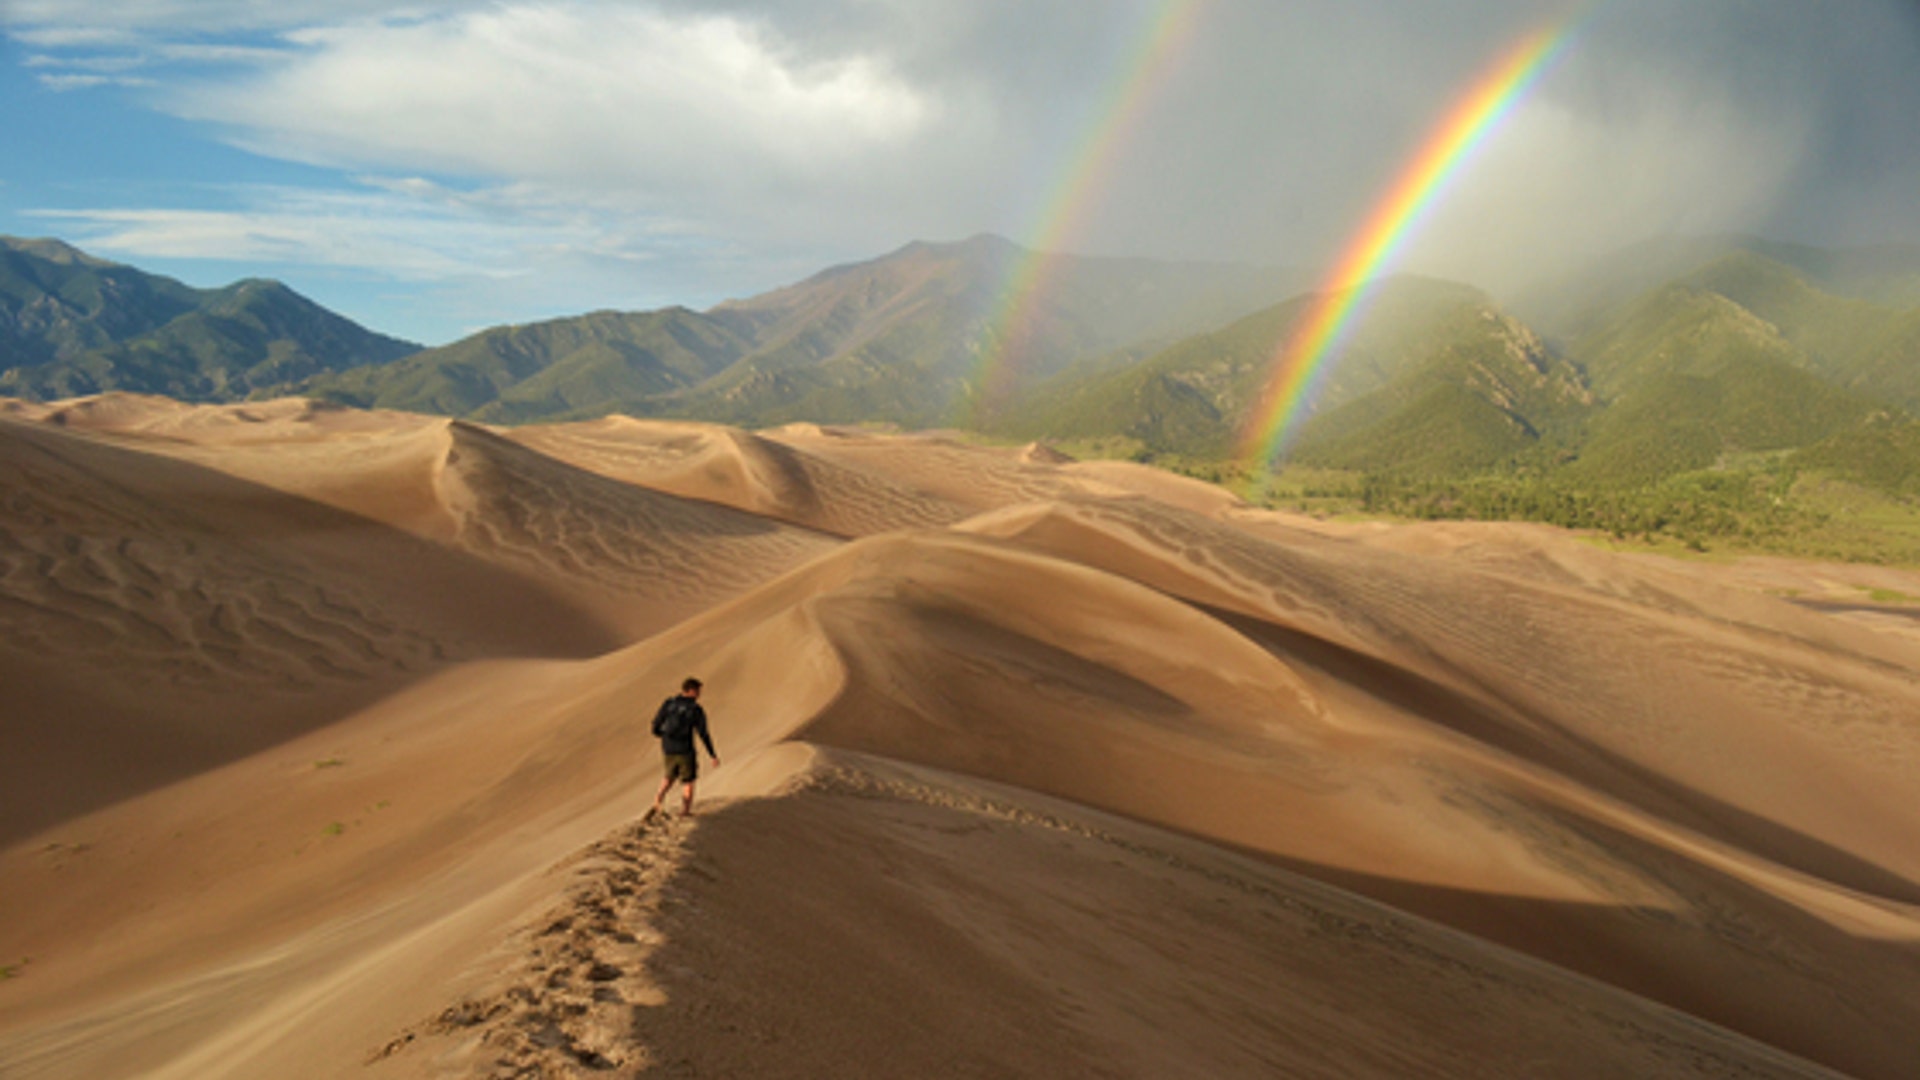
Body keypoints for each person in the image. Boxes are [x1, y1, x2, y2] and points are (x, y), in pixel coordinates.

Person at [650, 676, 719, 819]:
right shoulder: (695, 709)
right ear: (691, 691)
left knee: (668, 776)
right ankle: (685, 811)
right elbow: (703, 733)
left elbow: (656, 725)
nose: (700, 694)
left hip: (668, 748)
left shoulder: (669, 703)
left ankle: (658, 799)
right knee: (688, 781)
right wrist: (712, 755)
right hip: (685, 749)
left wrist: (663, 736)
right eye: (698, 691)